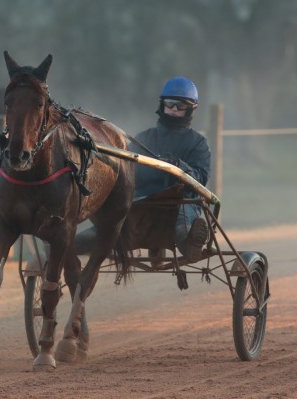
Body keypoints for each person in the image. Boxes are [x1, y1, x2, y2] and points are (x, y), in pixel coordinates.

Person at [74, 76, 211, 262]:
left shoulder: (198, 143)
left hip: (180, 204)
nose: (173, 110)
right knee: (98, 232)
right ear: (162, 105)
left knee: (182, 227)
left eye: (180, 107)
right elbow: (129, 175)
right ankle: (67, 244)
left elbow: (200, 179)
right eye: (170, 104)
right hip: (140, 203)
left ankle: (190, 243)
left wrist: (178, 166)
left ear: (190, 110)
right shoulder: (144, 138)